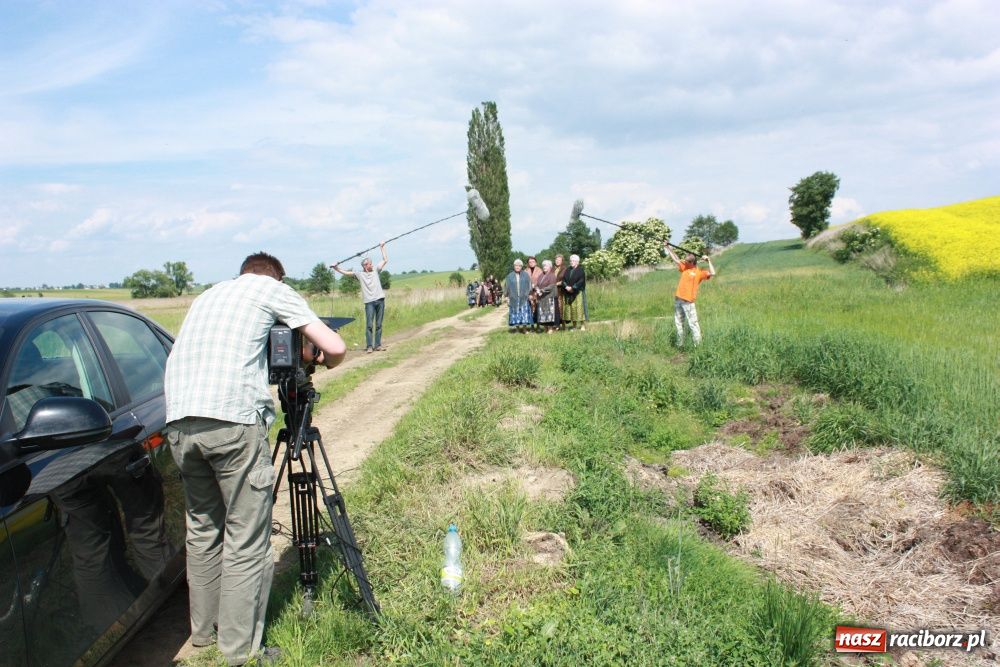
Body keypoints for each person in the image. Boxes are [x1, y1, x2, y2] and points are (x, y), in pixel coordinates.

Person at [163, 252, 347, 666]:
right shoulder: (272, 291)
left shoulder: (209, 295)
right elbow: (336, 347)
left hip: (178, 423)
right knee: (247, 540)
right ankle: (239, 651)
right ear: (276, 279)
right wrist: (321, 359)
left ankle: (203, 634)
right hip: (232, 422)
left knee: (203, 530)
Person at [332, 242, 388, 353]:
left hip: (380, 300)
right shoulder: (360, 275)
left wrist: (382, 247)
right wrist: (336, 268)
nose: (372, 265)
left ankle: (377, 345)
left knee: (379, 324)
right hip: (369, 303)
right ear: (365, 266)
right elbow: (347, 273)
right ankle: (369, 346)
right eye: (370, 264)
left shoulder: (376, 271)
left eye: (371, 264)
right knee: (369, 325)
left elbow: (385, 260)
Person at [665, 243, 716, 346]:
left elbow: (713, 273)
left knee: (693, 324)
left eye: (688, 257)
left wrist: (708, 260)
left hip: (688, 302)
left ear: (693, 261)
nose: (685, 259)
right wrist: (668, 247)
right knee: (679, 323)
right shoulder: (685, 267)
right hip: (678, 299)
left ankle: (698, 346)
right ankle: (680, 344)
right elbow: (676, 259)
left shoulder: (699, 272)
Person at [505, 259, 533, 333]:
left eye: (519, 265)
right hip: (513, 297)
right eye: (516, 265)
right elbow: (507, 287)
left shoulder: (526, 275)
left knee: (524, 313)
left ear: (521, 266)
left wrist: (530, 294)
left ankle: (524, 328)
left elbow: (529, 285)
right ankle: (517, 329)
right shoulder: (510, 276)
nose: (517, 267)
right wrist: (507, 297)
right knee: (515, 313)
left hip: (524, 297)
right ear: (514, 266)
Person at [561, 254, 587, 330]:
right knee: (571, 309)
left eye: (573, 261)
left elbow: (581, 281)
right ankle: (574, 326)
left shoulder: (580, 270)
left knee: (579, 308)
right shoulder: (568, 269)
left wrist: (573, 288)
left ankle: (582, 325)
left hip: (577, 293)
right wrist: (566, 287)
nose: (571, 262)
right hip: (568, 293)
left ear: (577, 262)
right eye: (570, 261)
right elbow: (563, 280)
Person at [534, 259, 559, 333]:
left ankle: (550, 328)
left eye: (546, 265)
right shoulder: (541, 275)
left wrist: (542, 290)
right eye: (543, 265)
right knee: (543, 313)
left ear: (550, 267)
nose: (544, 267)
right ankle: (545, 328)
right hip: (542, 298)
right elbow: (537, 284)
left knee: (550, 314)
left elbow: (551, 286)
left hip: (550, 297)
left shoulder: (552, 275)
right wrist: (536, 289)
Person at [553, 254, 566, 327]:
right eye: (556, 260)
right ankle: (555, 324)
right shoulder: (552, 269)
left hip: (561, 291)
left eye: (559, 260)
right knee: (554, 308)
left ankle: (563, 324)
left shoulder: (565, 269)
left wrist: (559, 283)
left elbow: (566, 279)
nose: (557, 261)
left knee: (561, 308)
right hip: (553, 291)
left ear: (562, 261)